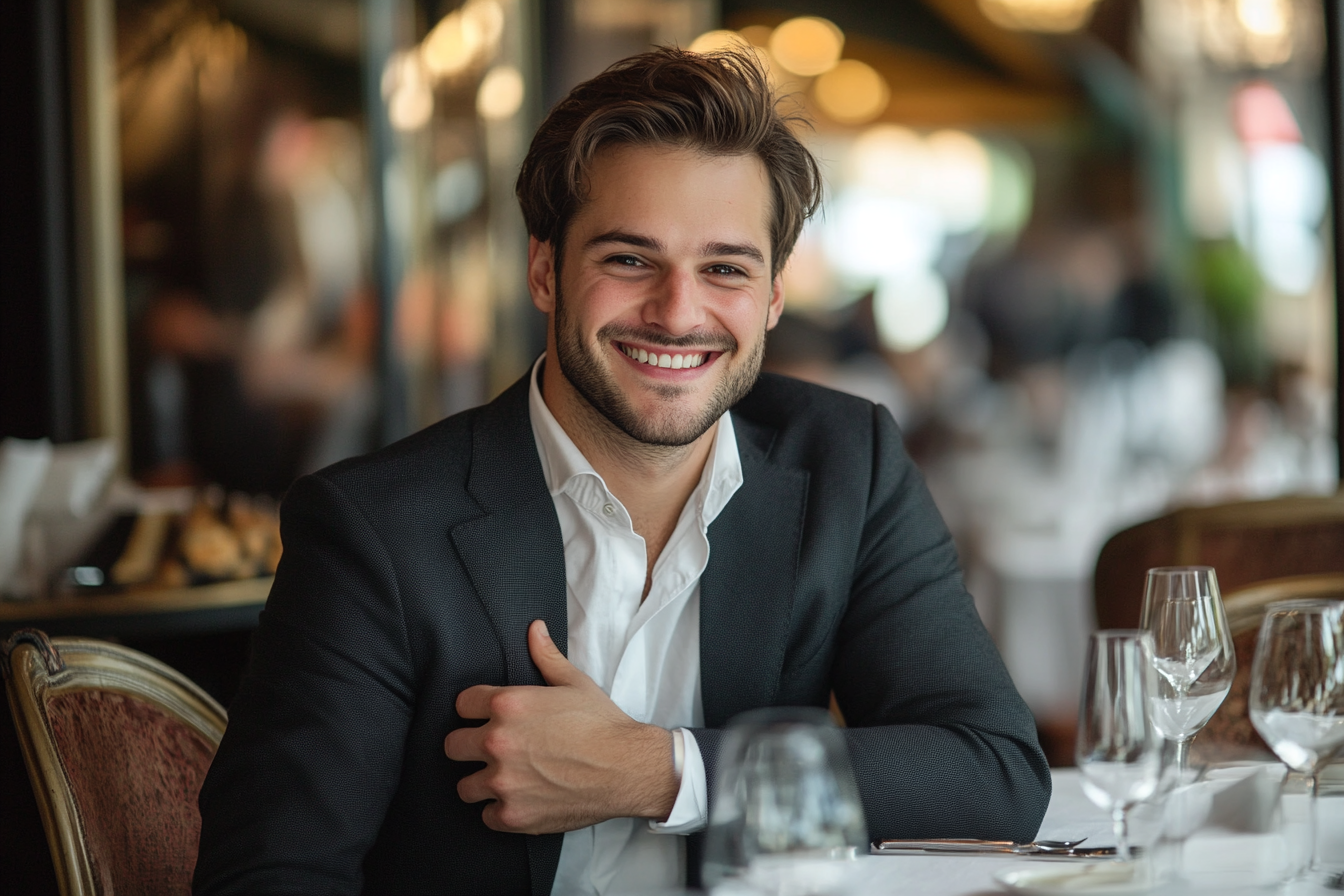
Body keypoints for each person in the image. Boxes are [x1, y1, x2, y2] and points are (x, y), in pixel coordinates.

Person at [194, 46, 1050, 896]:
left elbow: (992, 770)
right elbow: (268, 875)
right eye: (629, 260)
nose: (679, 313)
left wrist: (657, 770)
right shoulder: (374, 527)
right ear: (544, 270)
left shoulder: (846, 465)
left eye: (725, 269)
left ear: (774, 297)